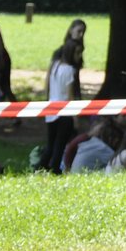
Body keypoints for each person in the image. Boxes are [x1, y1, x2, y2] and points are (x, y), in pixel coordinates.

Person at [39, 41, 81, 173]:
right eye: (77, 53)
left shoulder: (55, 65)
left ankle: (40, 167)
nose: (79, 56)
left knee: (51, 143)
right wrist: (75, 117)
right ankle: (55, 169)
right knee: (60, 144)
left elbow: (47, 87)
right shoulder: (69, 70)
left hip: (51, 109)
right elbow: (70, 96)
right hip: (64, 111)